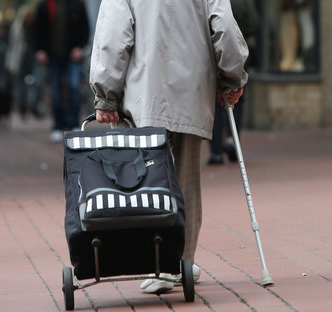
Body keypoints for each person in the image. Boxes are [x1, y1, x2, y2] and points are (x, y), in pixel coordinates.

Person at [90, 0, 248, 294]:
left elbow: (112, 37)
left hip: (143, 95)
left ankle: (157, 259)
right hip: (192, 94)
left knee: (144, 178)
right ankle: (181, 262)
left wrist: (106, 94)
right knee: (186, 179)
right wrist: (233, 78)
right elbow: (224, 28)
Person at [208, 0, 260, 165]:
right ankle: (231, 139)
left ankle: (216, 150)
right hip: (236, 52)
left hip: (211, 54)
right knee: (234, 98)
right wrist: (241, 33)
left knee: (215, 104)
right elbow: (254, 23)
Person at [34, 0, 89, 143]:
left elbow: (85, 28)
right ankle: (58, 126)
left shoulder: (76, 5)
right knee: (55, 91)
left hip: (72, 56)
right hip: (52, 56)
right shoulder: (45, 6)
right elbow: (37, 30)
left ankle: (74, 123)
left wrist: (80, 48)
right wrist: (39, 50)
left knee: (74, 87)